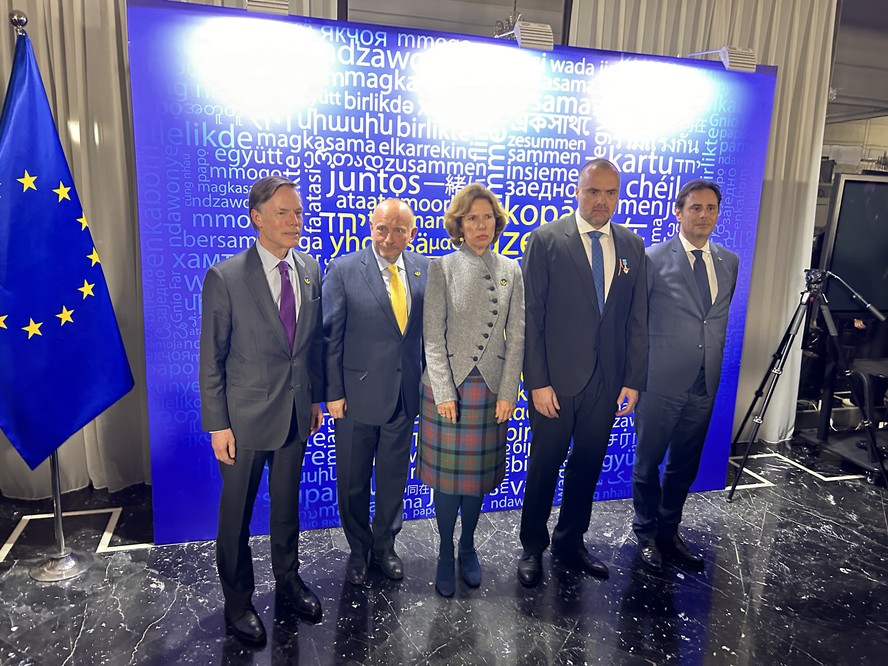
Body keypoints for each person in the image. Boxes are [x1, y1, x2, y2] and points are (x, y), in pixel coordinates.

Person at [199, 176, 324, 644]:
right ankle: (238, 603)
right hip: (244, 421)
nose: (295, 222)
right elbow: (211, 358)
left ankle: (289, 582)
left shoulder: (310, 269)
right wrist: (218, 425)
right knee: (236, 516)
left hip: (295, 414)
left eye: (297, 213)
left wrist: (312, 398)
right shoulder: (225, 277)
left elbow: (311, 347)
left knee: (287, 510)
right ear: (257, 218)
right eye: (284, 213)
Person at [517, 158, 648, 587]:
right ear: (578, 191)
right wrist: (536, 381)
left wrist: (632, 379)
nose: (602, 201)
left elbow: (635, 318)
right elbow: (530, 317)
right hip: (555, 383)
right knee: (545, 465)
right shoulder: (546, 240)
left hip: (607, 383)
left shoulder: (631, 245)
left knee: (588, 465)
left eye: (611, 193)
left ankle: (571, 541)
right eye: (594, 191)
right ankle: (533, 546)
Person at [418, 183, 525, 597]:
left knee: (476, 480)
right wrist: (444, 389)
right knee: (448, 482)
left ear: (496, 222)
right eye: (471, 218)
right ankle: (445, 550)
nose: (481, 225)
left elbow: (516, 338)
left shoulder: (511, 269)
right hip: (449, 391)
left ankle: (468, 546)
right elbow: (432, 337)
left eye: (487, 217)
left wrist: (508, 391)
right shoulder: (442, 267)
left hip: (491, 390)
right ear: (459, 225)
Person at [632, 180, 738, 573]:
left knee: (684, 466)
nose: (704, 215)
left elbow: (714, 319)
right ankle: (645, 534)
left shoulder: (729, 262)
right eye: (696, 208)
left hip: (704, 381)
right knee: (648, 463)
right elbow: (636, 323)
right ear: (679, 212)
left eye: (711, 208)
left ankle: (668, 531)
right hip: (659, 382)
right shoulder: (653, 259)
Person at [322, 198, 430, 585]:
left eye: (399, 229)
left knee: (392, 478)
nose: (389, 237)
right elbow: (330, 337)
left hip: (403, 397)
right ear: (371, 227)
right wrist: (332, 392)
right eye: (383, 228)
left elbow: (425, 337)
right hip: (354, 399)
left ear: (411, 233)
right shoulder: (344, 269)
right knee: (352, 481)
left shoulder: (424, 271)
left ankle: (385, 546)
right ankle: (359, 549)